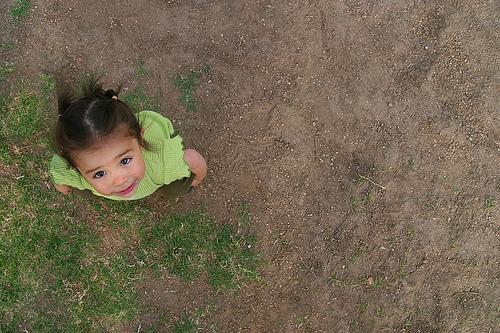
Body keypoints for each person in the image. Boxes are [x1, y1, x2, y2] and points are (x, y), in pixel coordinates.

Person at [49, 77, 207, 201]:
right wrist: (61, 184)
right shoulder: (74, 172)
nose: (119, 180)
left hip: (156, 178)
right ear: (76, 169)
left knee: (174, 190)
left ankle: (182, 187)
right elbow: (59, 169)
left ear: (140, 139)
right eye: (99, 173)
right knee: (84, 191)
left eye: (124, 161)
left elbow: (192, 158)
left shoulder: (163, 164)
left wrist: (198, 178)